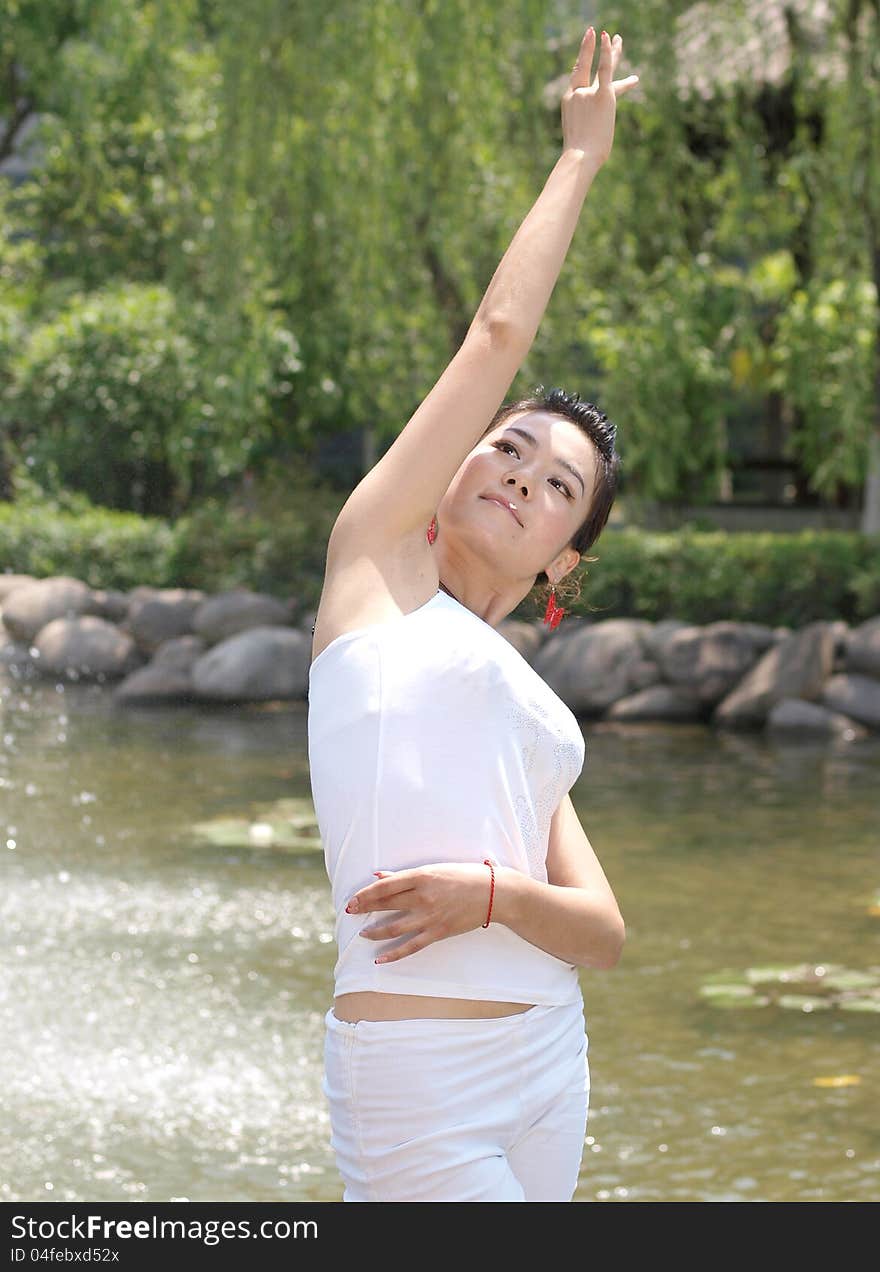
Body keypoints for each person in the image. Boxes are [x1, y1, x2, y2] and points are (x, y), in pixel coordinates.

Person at [307, 26, 638, 1203]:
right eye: (507, 447)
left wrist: (491, 898)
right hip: (419, 1071)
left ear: (565, 564)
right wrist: (578, 161)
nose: (520, 477)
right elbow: (496, 337)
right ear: (448, 471)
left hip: (549, 1063)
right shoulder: (375, 573)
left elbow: (599, 930)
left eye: (560, 488)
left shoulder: (536, 713)